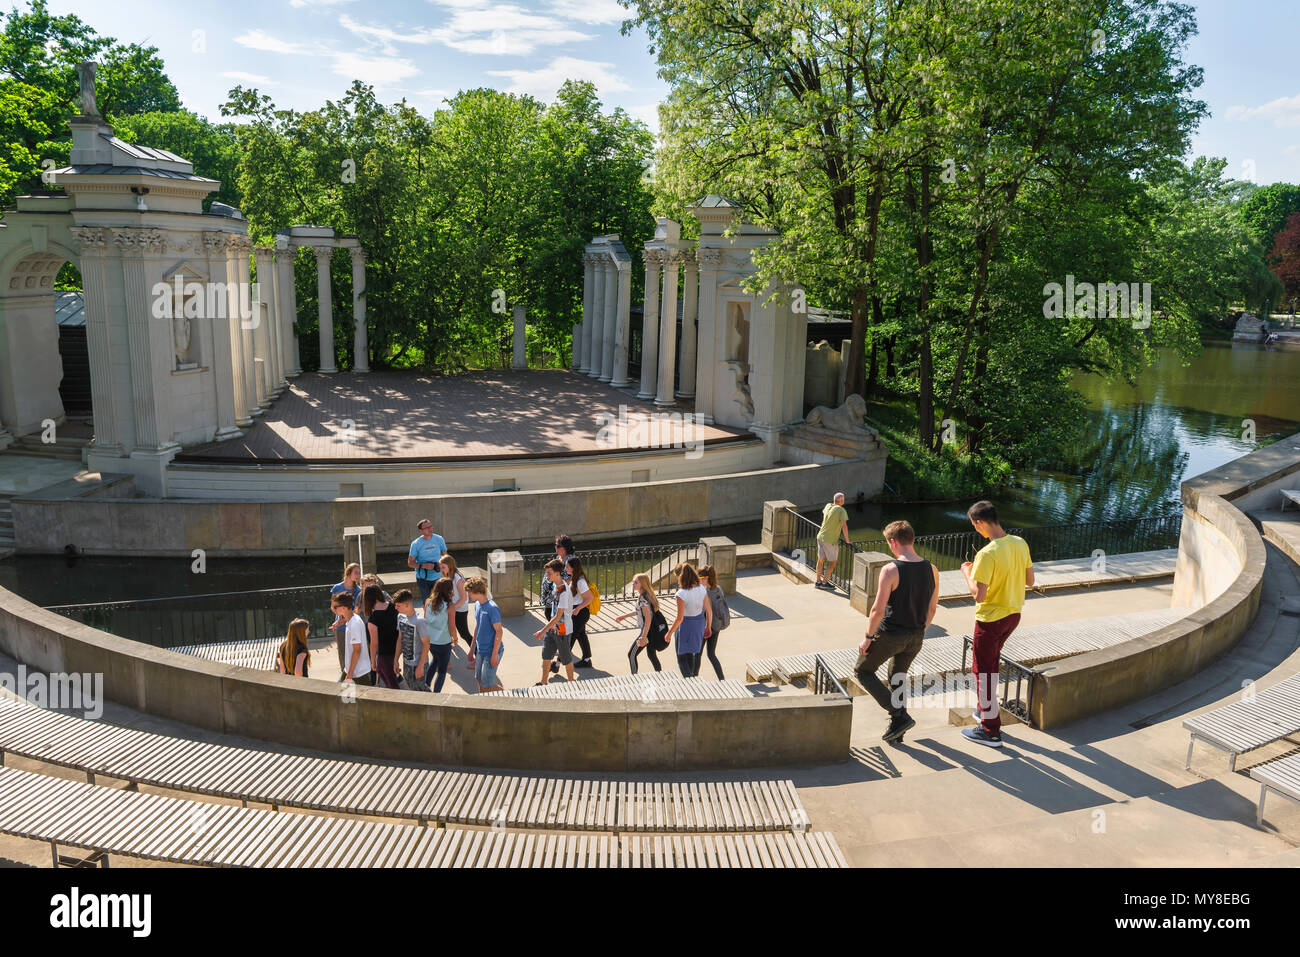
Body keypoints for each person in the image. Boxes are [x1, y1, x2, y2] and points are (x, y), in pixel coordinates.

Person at [855, 520, 940, 743]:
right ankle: (898, 728)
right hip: (916, 636)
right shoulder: (932, 569)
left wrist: (868, 638)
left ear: (893, 542)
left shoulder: (891, 569)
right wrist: (919, 630)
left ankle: (898, 715)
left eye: (888, 543)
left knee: (863, 670)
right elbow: (932, 608)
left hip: (891, 634)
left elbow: (877, 609)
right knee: (897, 677)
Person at [959, 500, 1033, 748]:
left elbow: (978, 595)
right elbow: (1030, 580)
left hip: (990, 619)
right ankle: (985, 711)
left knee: (984, 672)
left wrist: (967, 574)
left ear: (980, 523)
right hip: (1013, 614)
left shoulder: (986, 553)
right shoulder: (1020, 543)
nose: (976, 530)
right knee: (988, 665)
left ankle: (990, 731)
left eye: (974, 526)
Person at [533, 559, 577, 685]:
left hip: (562, 629)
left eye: (549, 573)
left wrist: (542, 631)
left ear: (557, 573)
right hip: (553, 628)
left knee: (566, 658)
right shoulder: (556, 586)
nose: (547, 576)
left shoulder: (564, 592)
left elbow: (558, 616)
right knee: (546, 656)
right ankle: (543, 682)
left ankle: (571, 683)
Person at [665, 563, 711, 677]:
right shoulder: (701, 588)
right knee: (691, 654)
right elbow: (709, 611)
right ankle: (693, 680)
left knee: (681, 657)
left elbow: (679, 618)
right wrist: (708, 626)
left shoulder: (681, 594)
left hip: (686, 625)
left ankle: (689, 682)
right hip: (699, 623)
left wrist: (669, 633)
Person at [615, 573, 664, 674]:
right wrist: (624, 616)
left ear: (642, 584)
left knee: (631, 655)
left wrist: (643, 637)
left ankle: (634, 678)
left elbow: (648, 618)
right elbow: (641, 612)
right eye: (633, 582)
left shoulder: (643, 599)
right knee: (651, 655)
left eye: (636, 582)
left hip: (647, 632)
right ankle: (660, 675)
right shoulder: (647, 595)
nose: (633, 584)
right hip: (651, 631)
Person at [467, 577, 505, 692]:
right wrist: (472, 648)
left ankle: (503, 693)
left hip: (491, 651)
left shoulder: (492, 608)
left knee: (487, 686)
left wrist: (494, 655)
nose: (468, 596)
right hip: (480, 650)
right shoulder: (478, 605)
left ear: (478, 592)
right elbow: (478, 627)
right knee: (478, 679)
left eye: (469, 593)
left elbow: (499, 631)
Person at [394, 588, 431, 691]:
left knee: (423, 693)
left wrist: (420, 666)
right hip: (406, 664)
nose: (396, 608)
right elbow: (400, 639)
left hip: (418, 665)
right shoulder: (400, 617)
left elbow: (426, 644)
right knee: (411, 690)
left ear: (407, 605)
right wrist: (396, 660)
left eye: (398, 605)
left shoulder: (419, 621)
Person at [332, 591, 373, 686]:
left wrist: (350, 674)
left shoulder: (354, 624)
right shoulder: (353, 619)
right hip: (353, 670)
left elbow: (357, 650)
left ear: (343, 608)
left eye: (335, 607)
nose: (334, 609)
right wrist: (340, 621)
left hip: (358, 673)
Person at [438, 554, 475, 660]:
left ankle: (478, 653)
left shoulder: (458, 578)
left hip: (460, 609)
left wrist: (452, 608)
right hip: (452, 607)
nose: (441, 569)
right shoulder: (447, 575)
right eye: (440, 567)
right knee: (447, 627)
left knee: (464, 634)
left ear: (450, 566)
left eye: (443, 567)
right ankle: (452, 642)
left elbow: (464, 598)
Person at [365, 584, 401, 689]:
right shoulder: (393, 607)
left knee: (393, 686)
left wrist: (372, 661)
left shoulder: (373, 619)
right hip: (396, 649)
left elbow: (374, 643)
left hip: (385, 653)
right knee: (381, 671)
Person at [330, 563, 361, 680]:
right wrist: (340, 617)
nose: (358, 575)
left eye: (359, 572)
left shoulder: (358, 590)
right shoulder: (337, 588)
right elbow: (333, 606)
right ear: (348, 573)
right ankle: (344, 674)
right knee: (343, 652)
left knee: (354, 650)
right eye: (356, 572)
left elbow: (357, 609)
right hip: (340, 626)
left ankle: (354, 673)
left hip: (352, 625)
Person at [698, 565, 730, 679]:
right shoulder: (718, 589)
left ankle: (693, 679)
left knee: (697, 654)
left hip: (707, 628)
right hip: (716, 626)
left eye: (700, 577)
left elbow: (705, 612)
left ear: (706, 578)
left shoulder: (705, 592)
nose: (698, 580)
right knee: (711, 654)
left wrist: (707, 627)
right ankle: (722, 679)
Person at [815, 492, 851, 589]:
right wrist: (847, 540)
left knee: (821, 560)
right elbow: (844, 525)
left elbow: (827, 515)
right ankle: (824, 583)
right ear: (842, 501)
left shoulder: (828, 506)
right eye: (843, 500)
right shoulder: (841, 510)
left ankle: (818, 581)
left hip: (820, 536)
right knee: (833, 562)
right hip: (829, 540)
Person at [565, 555, 596, 669]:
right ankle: (587, 659)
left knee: (572, 636)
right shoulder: (575, 578)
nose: (565, 568)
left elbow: (590, 598)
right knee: (581, 635)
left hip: (579, 612)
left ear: (573, 568)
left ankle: (559, 662)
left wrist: (577, 608)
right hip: (577, 611)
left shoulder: (580, 581)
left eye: (567, 566)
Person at [408, 519, 448, 603]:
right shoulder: (416, 544)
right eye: (426, 527)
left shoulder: (439, 539)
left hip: (438, 577)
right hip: (423, 578)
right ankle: (427, 616)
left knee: (440, 601)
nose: (430, 529)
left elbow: (446, 557)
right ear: (420, 530)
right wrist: (423, 565)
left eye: (430, 526)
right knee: (426, 602)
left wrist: (443, 568)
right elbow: (410, 563)